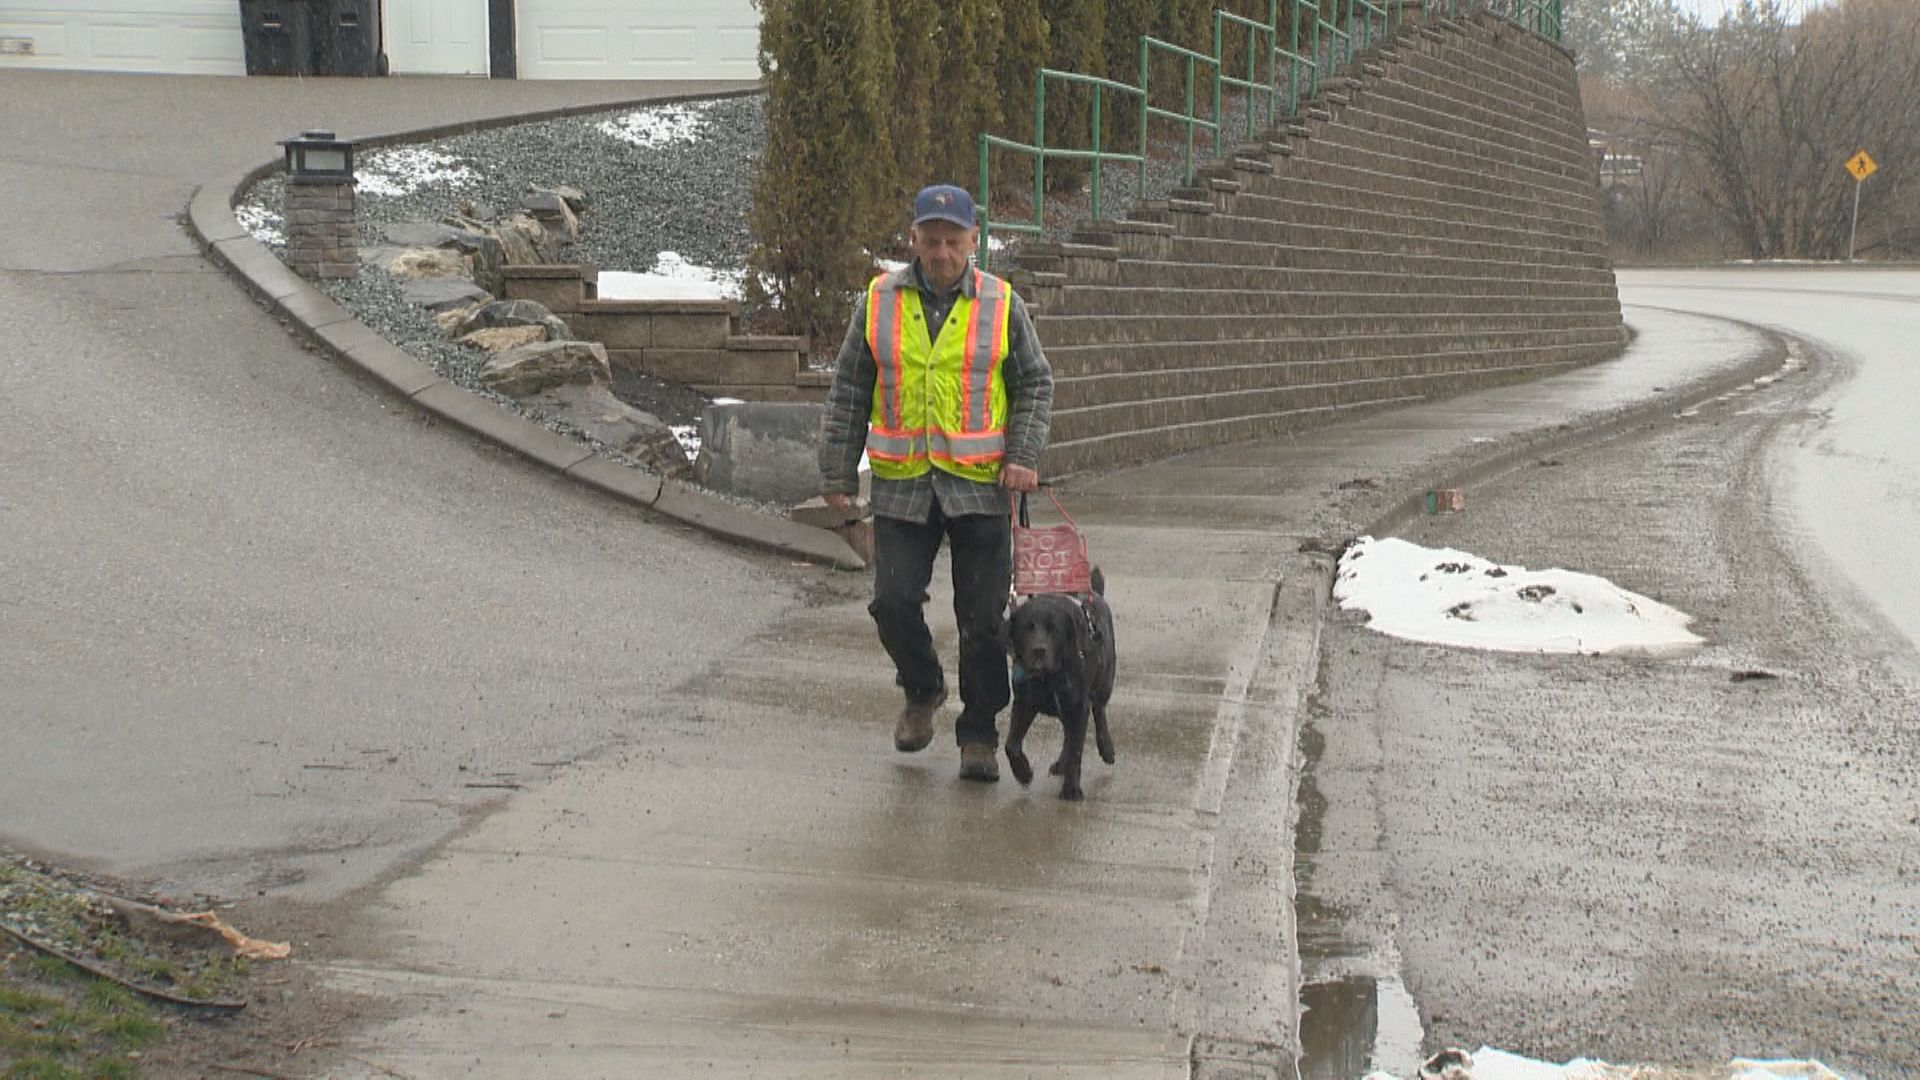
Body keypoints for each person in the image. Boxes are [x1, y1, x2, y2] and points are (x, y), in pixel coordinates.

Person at [819, 183, 1055, 782]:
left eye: (954, 241)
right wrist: (837, 470)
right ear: (914, 239)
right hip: (904, 485)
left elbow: (1034, 383)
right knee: (892, 603)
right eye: (932, 241)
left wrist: (1023, 453)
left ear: (974, 241)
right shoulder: (878, 300)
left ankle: (978, 733)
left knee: (982, 620)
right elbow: (849, 387)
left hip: (980, 486)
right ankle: (922, 690)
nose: (942, 252)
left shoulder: (1002, 304)